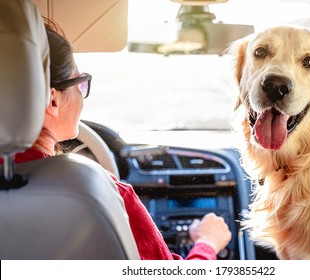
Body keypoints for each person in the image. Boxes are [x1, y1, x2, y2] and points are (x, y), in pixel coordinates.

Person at [0, 18, 231, 260]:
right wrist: (207, 242)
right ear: (53, 101)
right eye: (80, 84)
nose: (82, 95)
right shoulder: (99, 193)